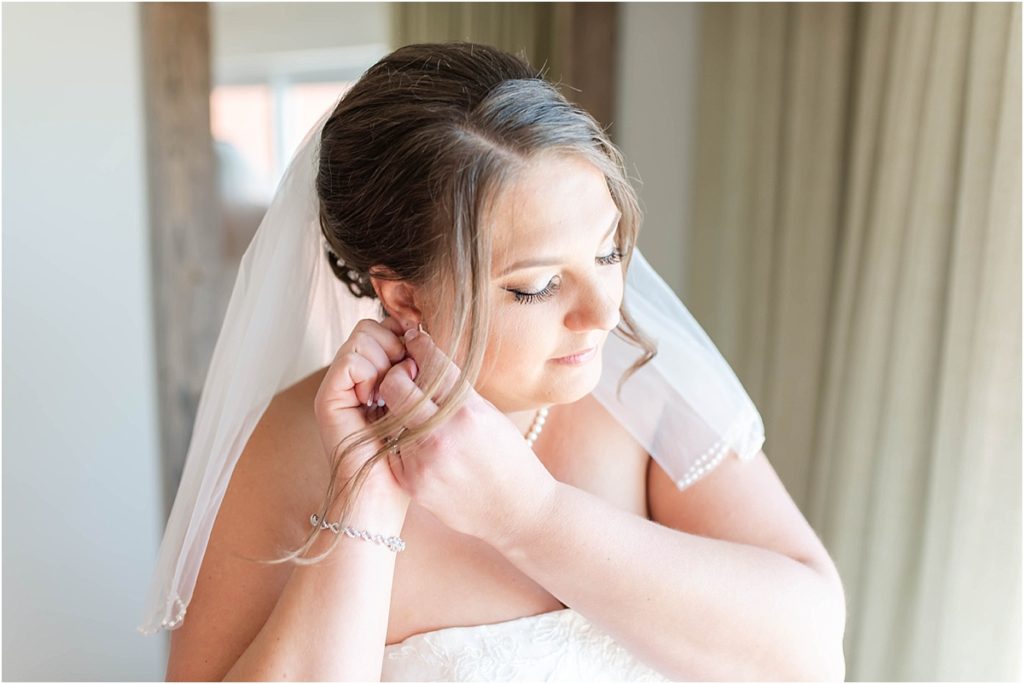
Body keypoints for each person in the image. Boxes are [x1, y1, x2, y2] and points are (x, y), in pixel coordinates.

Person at [140, 42, 776, 681]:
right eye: (538, 285)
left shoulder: (641, 386)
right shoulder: (285, 448)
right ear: (403, 296)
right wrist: (363, 503)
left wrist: (532, 514)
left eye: (609, 254)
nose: (605, 312)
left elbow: (807, 650)